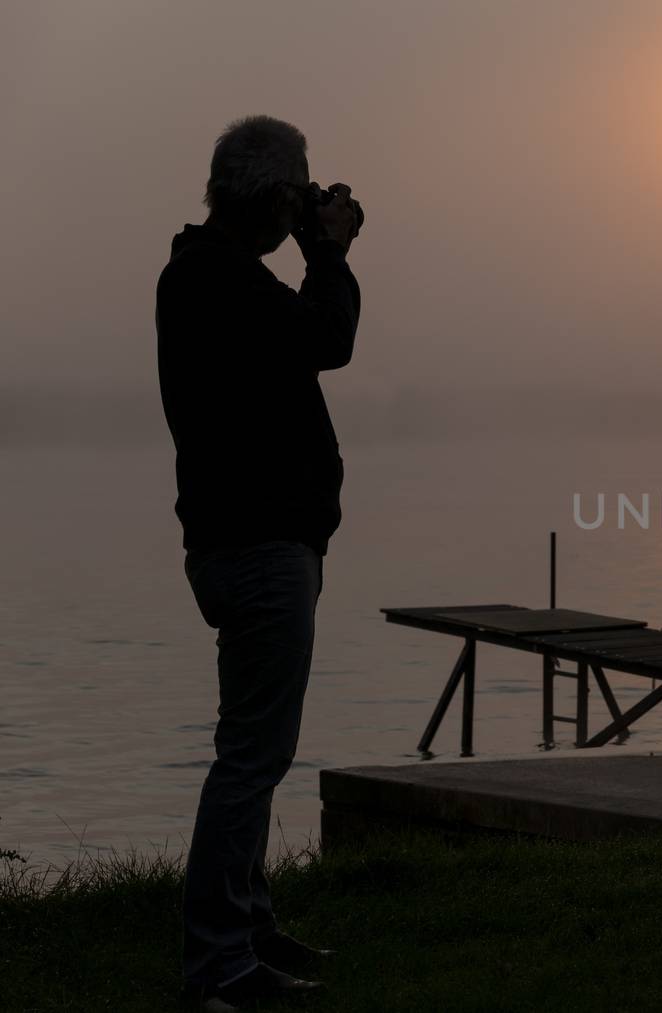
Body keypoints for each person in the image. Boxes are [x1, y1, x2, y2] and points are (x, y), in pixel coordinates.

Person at [156, 114, 363, 1012]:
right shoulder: (220, 282)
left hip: (248, 542)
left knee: (254, 752)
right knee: (250, 757)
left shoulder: (207, 275)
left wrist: (314, 250)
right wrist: (331, 253)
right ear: (275, 196)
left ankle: (248, 924)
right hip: (258, 548)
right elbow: (328, 340)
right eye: (296, 192)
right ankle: (218, 965)